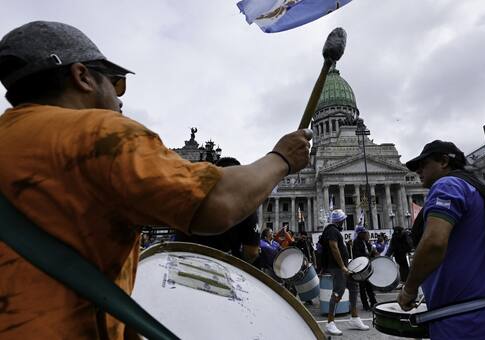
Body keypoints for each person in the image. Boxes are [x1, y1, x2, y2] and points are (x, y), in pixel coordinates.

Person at [0, 21, 312, 339]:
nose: (120, 101)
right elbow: (217, 203)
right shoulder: (98, 134)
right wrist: (282, 158)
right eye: (116, 83)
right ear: (82, 77)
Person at [397, 140, 485, 339]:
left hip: (464, 324)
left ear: (444, 161)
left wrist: (409, 289)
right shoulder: (480, 189)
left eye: (423, 164)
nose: (418, 170)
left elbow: (434, 244)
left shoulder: (448, 184)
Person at [174, 157, 261, 263]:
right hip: (221, 268)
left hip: (184, 262)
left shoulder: (191, 199)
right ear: (238, 178)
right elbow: (251, 252)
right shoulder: (245, 206)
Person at [320, 209, 369, 335]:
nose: (344, 222)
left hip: (343, 266)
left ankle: (354, 317)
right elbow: (333, 247)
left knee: (354, 286)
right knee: (338, 292)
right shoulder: (332, 230)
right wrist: (342, 266)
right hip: (337, 267)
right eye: (343, 220)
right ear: (341, 220)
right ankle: (330, 322)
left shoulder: (334, 230)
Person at [352, 226, 377, 311]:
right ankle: (365, 305)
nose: (366, 234)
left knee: (369, 286)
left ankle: (373, 302)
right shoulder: (356, 242)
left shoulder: (366, 242)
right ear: (359, 234)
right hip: (361, 268)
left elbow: (371, 251)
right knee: (362, 287)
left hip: (367, 266)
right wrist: (369, 255)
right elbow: (358, 255)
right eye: (364, 233)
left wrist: (374, 253)